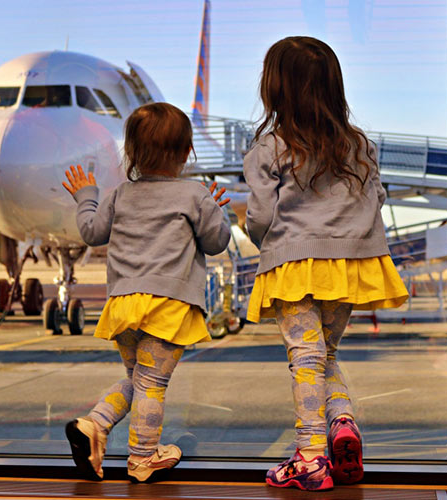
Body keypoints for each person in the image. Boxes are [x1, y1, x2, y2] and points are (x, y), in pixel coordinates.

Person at [244, 36, 409, 491]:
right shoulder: (359, 145)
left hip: (295, 265)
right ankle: (342, 422)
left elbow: (260, 217)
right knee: (325, 355)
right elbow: (376, 198)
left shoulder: (269, 148)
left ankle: (310, 456)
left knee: (305, 358)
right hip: (349, 264)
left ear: (274, 89)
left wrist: (259, 239)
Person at [61, 102, 231, 483]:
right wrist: (216, 211)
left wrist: (86, 196)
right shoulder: (194, 194)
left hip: (124, 305)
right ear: (187, 152)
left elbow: (91, 232)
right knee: (153, 384)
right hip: (166, 306)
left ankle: (95, 425)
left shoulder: (120, 194)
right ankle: (142, 458)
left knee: (137, 380)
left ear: (132, 153)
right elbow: (216, 241)